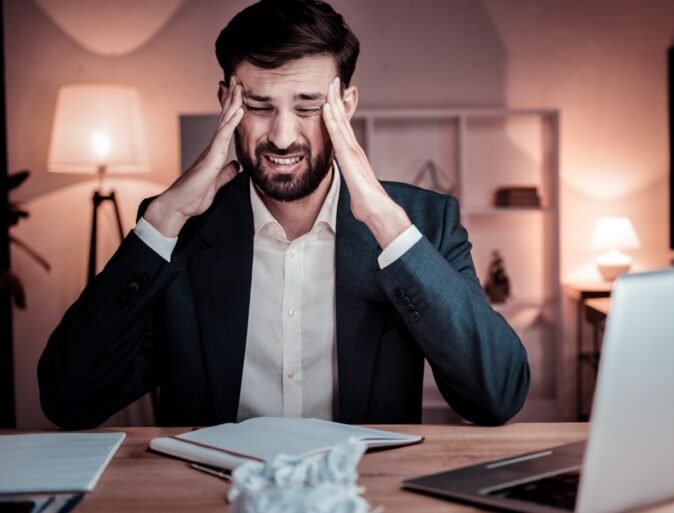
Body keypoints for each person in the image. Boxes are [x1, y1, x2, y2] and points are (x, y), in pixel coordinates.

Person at [38, 0, 529, 430]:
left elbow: (497, 396)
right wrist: (163, 217)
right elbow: (69, 400)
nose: (281, 136)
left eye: (308, 106)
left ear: (346, 106)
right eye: (258, 105)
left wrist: (386, 222)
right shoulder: (179, 231)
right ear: (226, 102)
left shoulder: (424, 222)